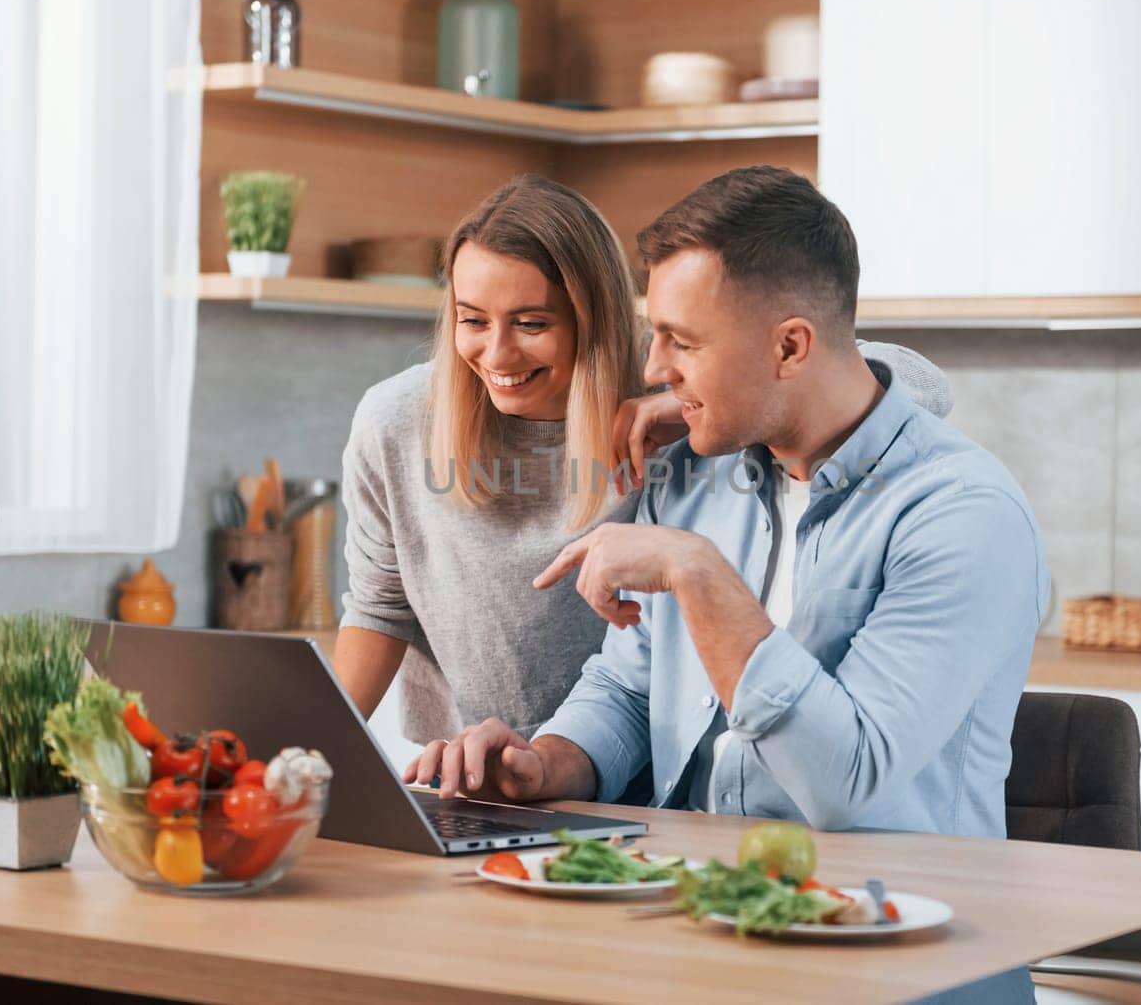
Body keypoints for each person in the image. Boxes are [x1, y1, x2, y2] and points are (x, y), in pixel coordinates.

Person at [404, 166, 1049, 835]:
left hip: (886, 915)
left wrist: (697, 572)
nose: (654, 370)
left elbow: (847, 783)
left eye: (682, 341)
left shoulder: (963, 516)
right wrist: (542, 763)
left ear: (790, 346)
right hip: (695, 897)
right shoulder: (692, 482)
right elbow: (628, 693)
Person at [334, 174, 956, 766]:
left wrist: (686, 406)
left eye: (531, 324)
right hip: (479, 766)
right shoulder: (397, 421)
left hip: (637, 760)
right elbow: (379, 608)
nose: (496, 353)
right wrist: (311, 756)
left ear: (593, 316)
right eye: (472, 320)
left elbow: (917, 385)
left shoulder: (675, 382)